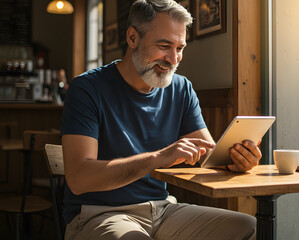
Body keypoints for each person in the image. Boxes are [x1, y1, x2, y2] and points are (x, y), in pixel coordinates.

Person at [60, 1, 260, 239]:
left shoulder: (181, 88)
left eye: (180, 48)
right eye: (164, 46)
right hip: (98, 214)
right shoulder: (87, 88)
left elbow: (209, 155)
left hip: (162, 210)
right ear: (132, 38)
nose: (174, 59)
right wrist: (158, 158)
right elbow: (79, 179)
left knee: (246, 226)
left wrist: (235, 160)